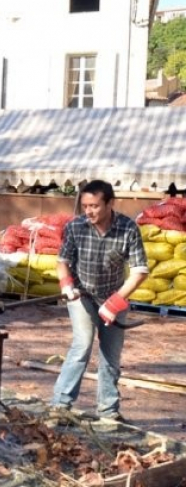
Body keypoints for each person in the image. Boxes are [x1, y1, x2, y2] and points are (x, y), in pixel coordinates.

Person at [50, 179, 149, 423]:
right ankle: (61, 406)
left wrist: (115, 303)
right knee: (82, 345)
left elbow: (139, 271)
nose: (89, 211)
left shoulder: (128, 229)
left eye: (94, 206)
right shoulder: (76, 227)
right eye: (85, 206)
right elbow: (62, 261)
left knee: (110, 355)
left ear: (109, 203)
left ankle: (108, 411)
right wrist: (67, 285)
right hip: (81, 295)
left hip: (114, 297)